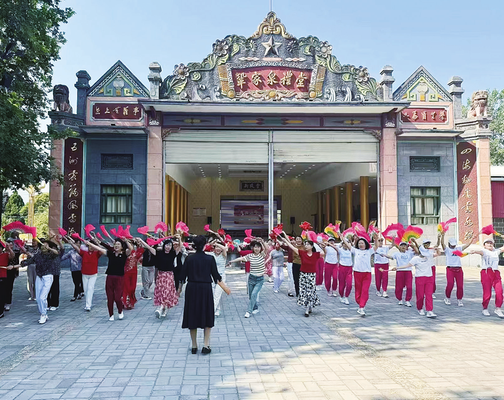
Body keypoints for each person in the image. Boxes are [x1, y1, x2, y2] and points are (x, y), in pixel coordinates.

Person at [180, 235, 231, 354]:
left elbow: (182, 276)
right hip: (205, 289)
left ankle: (194, 345)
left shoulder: (189, 258)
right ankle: (206, 345)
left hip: (192, 288)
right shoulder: (210, 258)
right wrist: (226, 288)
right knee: (207, 315)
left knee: (192, 315)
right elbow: (216, 276)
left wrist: (178, 290)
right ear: (204, 245)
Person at [279, 234, 325, 317]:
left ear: (312, 246)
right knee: (304, 291)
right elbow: (292, 247)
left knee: (311, 291)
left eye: (308, 244)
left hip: (311, 275)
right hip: (303, 275)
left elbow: (323, 253)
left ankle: (308, 307)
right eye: (305, 244)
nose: (306, 246)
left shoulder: (316, 255)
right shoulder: (302, 253)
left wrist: (318, 244)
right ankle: (308, 307)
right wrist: (285, 240)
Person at [87, 238, 132, 321]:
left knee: (117, 298)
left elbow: (130, 248)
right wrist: (90, 244)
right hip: (110, 278)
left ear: (122, 246)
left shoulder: (124, 254)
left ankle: (120, 311)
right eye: (115, 244)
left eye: (118, 244)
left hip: (119, 278)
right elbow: (100, 249)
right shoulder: (110, 253)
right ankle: (111, 315)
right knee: (110, 298)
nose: (116, 246)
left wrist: (126, 240)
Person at [392, 242, 438, 318]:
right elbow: (407, 265)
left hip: (429, 277)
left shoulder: (429, 256)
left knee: (429, 295)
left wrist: (437, 249)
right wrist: (397, 268)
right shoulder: (415, 259)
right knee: (420, 295)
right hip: (420, 278)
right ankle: (420, 308)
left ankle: (429, 311)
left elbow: (438, 254)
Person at [19, 239, 60, 324]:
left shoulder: (51, 254)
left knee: (42, 297)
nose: (44, 247)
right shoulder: (38, 256)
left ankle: (43, 314)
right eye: (42, 245)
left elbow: (57, 253)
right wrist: (13, 266)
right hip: (39, 277)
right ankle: (44, 312)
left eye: (46, 245)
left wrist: (49, 248)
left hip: (48, 277)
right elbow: (28, 262)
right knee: (38, 298)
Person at [142, 236, 182, 318]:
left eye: (170, 245)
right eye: (167, 245)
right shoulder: (159, 253)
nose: (168, 247)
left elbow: (180, 246)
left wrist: (179, 239)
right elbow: (149, 247)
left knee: (167, 292)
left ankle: (161, 308)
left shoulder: (173, 254)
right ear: (164, 245)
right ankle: (164, 308)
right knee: (161, 292)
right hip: (161, 275)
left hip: (169, 275)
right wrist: (140, 240)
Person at [228, 238, 267, 318]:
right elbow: (241, 258)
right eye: (255, 247)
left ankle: (249, 311)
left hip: (259, 279)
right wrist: (232, 261)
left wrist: (262, 242)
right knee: (250, 296)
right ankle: (255, 308)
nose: (257, 249)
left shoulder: (262, 255)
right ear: (252, 248)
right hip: (251, 278)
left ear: (260, 248)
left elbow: (266, 248)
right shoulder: (250, 256)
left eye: (258, 247)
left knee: (254, 294)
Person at [341, 234, 378, 316]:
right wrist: (343, 238)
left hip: (367, 274)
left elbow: (376, 246)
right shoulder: (355, 251)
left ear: (365, 244)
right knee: (358, 291)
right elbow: (348, 245)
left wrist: (376, 239)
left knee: (365, 290)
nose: (361, 244)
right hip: (357, 273)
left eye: (362, 243)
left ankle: (361, 307)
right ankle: (360, 303)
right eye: (359, 243)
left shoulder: (369, 251)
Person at [471, 239, 504, 318]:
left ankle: (498, 308)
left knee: (499, 291)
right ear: (484, 245)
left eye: (491, 243)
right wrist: (474, 251)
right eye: (488, 243)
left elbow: (502, 248)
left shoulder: (496, 251)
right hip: (486, 272)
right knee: (487, 292)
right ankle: (485, 308)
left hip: (495, 273)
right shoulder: (484, 251)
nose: (490, 244)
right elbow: (480, 252)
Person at [440, 233, 473, 307]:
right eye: (452, 244)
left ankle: (459, 299)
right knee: (450, 284)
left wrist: (472, 239)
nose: (453, 246)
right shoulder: (447, 250)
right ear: (449, 243)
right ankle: (447, 298)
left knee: (460, 285)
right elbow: (442, 244)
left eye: (454, 244)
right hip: (450, 269)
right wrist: (443, 236)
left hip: (459, 269)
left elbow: (467, 245)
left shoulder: (458, 249)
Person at [389, 241, 415, 307]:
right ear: (399, 247)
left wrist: (413, 245)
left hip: (408, 271)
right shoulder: (396, 254)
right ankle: (399, 299)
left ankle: (407, 300)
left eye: (404, 245)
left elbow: (417, 252)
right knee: (399, 287)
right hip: (400, 271)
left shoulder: (409, 253)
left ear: (406, 247)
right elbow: (391, 257)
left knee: (409, 287)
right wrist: (383, 255)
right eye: (402, 245)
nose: (403, 247)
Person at [206, 240, 228, 316]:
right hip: (212, 277)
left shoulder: (224, 255)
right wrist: (211, 244)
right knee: (212, 295)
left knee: (217, 295)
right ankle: (217, 309)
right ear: (214, 248)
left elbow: (224, 248)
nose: (218, 249)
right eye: (216, 247)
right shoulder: (211, 254)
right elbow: (202, 251)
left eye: (219, 247)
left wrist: (216, 244)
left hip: (221, 277)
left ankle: (211, 312)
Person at [122, 239, 144, 310]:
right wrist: (126, 240)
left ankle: (131, 301)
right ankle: (126, 302)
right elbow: (130, 249)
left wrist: (139, 241)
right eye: (129, 243)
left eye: (131, 243)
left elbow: (142, 249)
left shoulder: (136, 251)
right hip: (127, 272)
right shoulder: (127, 251)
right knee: (127, 288)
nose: (131, 245)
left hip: (134, 272)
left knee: (133, 288)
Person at [47, 236, 64, 311]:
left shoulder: (58, 254)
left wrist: (59, 242)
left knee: (55, 289)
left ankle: (55, 304)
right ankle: (47, 304)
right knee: (47, 289)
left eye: (54, 248)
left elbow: (62, 249)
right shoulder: (47, 255)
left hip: (55, 273)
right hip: (47, 273)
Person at [0, 241, 15, 318]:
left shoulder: (5, 255)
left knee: (2, 294)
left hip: (2, 276)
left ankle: (1, 311)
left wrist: (9, 248)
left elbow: (12, 256)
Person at [337, 237, 354, 305]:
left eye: (347, 243)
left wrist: (352, 241)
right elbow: (335, 247)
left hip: (349, 268)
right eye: (344, 243)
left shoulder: (351, 250)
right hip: (342, 268)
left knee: (349, 284)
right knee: (342, 284)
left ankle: (346, 297)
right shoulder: (340, 250)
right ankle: (341, 296)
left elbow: (355, 246)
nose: (346, 245)